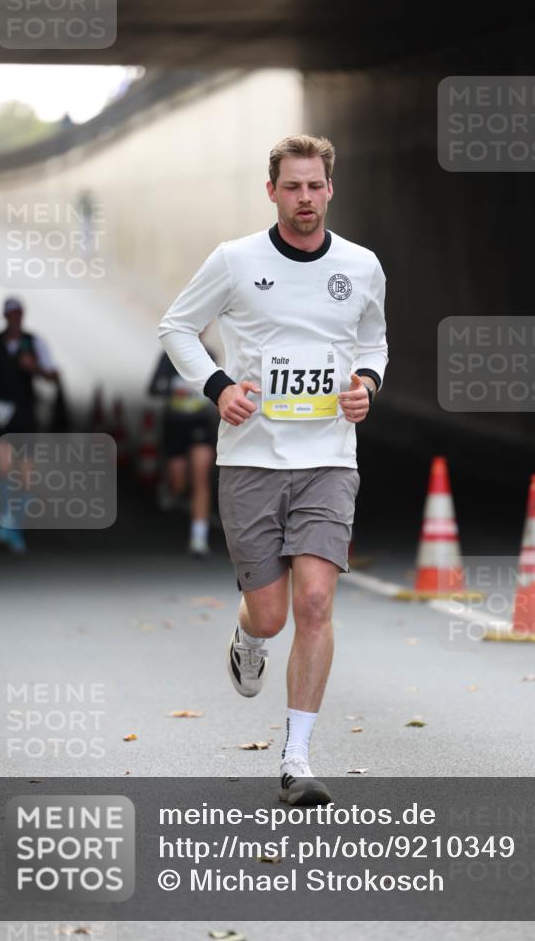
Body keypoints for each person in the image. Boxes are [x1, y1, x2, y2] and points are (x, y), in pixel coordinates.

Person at [159, 135, 388, 805]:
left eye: (315, 186)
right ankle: (247, 636)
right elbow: (176, 327)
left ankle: (295, 758)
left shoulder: (361, 265)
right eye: (292, 187)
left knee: (314, 601)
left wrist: (366, 384)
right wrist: (219, 385)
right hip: (252, 461)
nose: (305, 199)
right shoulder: (235, 261)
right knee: (271, 615)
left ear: (330, 189)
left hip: (328, 457)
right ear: (272, 192)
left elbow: (372, 337)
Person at [0, 297, 59, 553]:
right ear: (5, 316)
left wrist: (35, 369)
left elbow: (53, 375)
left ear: (23, 315)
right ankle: (9, 524)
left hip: (25, 412)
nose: (15, 319)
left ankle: (14, 523)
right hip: (0, 412)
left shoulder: (35, 343)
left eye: (18, 314)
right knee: (6, 469)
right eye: (11, 314)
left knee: (27, 476)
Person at [148, 349, 217, 556]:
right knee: (179, 481)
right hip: (175, 424)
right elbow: (153, 388)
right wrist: (173, 389)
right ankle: (171, 491)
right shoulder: (167, 357)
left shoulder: (209, 355)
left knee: (201, 477)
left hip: (200, 423)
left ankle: (198, 538)